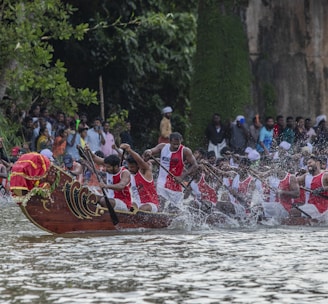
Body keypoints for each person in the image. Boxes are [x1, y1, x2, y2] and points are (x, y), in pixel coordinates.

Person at [143, 132, 197, 208]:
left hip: (175, 185)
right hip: (161, 182)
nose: (176, 146)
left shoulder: (185, 151)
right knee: (160, 204)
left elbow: (195, 165)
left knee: (174, 209)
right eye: (174, 144)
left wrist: (182, 177)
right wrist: (148, 152)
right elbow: (151, 151)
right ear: (170, 141)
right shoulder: (162, 146)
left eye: (178, 144)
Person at [121, 143, 159, 212]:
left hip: (150, 205)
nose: (129, 169)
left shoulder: (146, 171)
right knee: (128, 205)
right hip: (137, 205)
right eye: (129, 167)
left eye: (132, 167)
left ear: (138, 166)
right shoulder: (129, 175)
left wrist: (129, 150)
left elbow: (140, 161)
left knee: (141, 209)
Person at [297, 155, 328, 219]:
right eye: (307, 164)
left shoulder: (325, 175)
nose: (308, 165)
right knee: (294, 211)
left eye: (310, 163)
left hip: (323, 209)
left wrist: (323, 189)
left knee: (295, 212)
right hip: (310, 207)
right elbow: (293, 181)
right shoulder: (306, 176)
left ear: (317, 163)